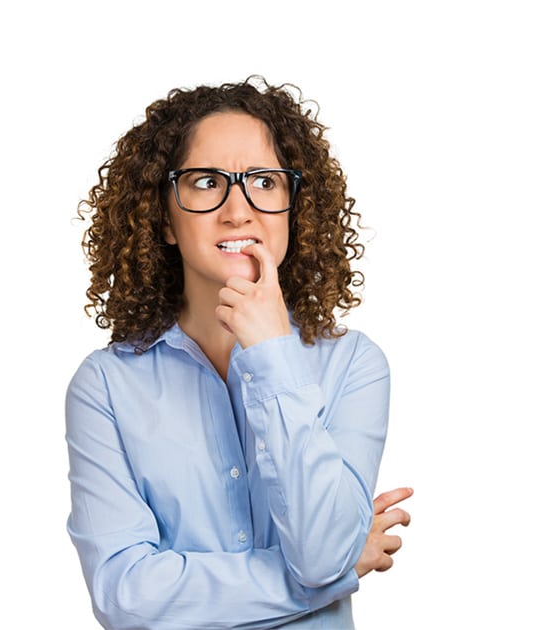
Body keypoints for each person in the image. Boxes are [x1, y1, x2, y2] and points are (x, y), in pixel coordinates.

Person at [66, 77, 412, 630]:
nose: (238, 210)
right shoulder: (105, 385)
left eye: (264, 182)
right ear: (165, 219)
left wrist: (273, 353)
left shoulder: (354, 366)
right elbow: (126, 597)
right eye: (207, 183)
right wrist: (327, 577)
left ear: (292, 208)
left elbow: (323, 552)